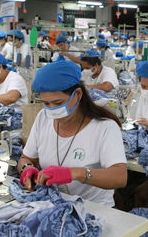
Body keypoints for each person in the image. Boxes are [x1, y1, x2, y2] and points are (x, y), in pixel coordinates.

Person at [18, 60, 127, 207]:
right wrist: (27, 169)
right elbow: (26, 158)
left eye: (58, 103)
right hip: (53, 205)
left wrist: (76, 173)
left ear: (77, 94)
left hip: (94, 210)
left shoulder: (105, 127)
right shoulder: (43, 118)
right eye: (46, 103)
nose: (52, 109)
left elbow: (119, 177)